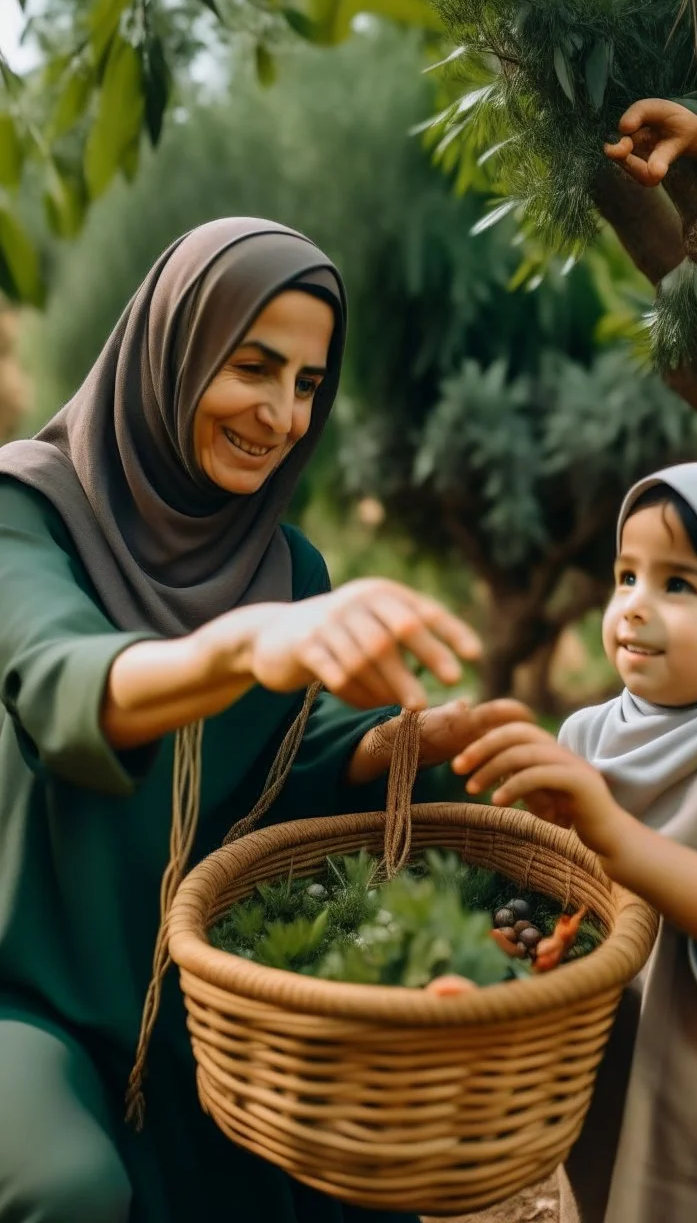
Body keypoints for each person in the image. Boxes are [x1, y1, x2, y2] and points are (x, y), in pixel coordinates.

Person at [0, 216, 532, 1223]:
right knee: (67, 1191)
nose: (282, 415)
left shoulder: (288, 566)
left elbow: (267, 765)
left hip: (210, 1003)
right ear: (175, 348)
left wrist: (386, 745)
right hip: (22, 997)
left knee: (348, 1163)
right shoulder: (24, 511)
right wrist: (242, 644)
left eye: (307, 385)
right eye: (253, 366)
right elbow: (62, 680)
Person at [452, 461, 697, 1222]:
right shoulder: (592, 732)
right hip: (609, 1048)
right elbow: (557, 891)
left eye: (680, 585)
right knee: (601, 1194)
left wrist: (614, 835)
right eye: (626, 576)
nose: (633, 607)